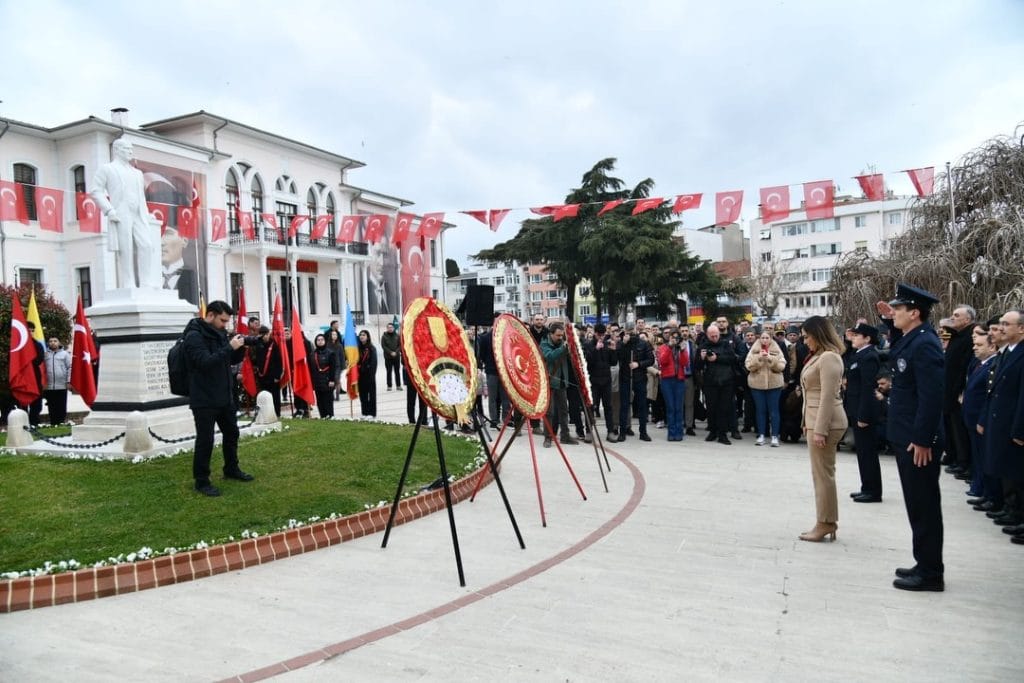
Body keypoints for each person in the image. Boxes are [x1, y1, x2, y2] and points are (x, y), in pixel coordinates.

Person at [876, 284, 945, 590]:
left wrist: (923, 439)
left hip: (917, 441)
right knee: (917, 505)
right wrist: (889, 321)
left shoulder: (926, 343)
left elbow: (931, 396)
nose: (894, 313)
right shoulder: (914, 338)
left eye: (899, 310)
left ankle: (930, 573)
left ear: (914, 313)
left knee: (924, 506)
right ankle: (924, 562)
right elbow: (897, 349)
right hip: (907, 435)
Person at [182, 300, 253, 497]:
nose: (225, 324)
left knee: (232, 433)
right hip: (204, 397)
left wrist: (241, 347)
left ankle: (231, 468)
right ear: (210, 315)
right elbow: (204, 362)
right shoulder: (194, 336)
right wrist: (229, 347)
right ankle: (202, 480)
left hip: (224, 395)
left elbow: (230, 359)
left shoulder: (219, 333)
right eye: (222, 320)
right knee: (205, 440)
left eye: (227, 321)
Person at [798, 316, 848, 542]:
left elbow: (827, 396)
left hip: (826, 422)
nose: (805, 341)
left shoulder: (829, 357)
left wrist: (819, 429)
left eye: (807, 337)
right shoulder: (820, 356)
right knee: (821, 474)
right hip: (816, 420)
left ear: (818, 334)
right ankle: (826, 521)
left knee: (823, 475)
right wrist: (806, 423)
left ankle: (826, 522)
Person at [978, 309, 1024, 546]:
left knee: (1018, 472)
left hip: (1013, 423)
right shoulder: (1007, 352)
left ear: (1021, 328)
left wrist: (1020, 429)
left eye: (1007, 324)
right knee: (1008, 469)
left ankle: (1018, 514)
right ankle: (1012, 510)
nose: (1001, 328)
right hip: (1000, 420)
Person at [90, 138, 160, 289]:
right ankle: (128, 282)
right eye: (126, 149)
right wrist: (109, 210)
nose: (130, 152)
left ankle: (145, 281)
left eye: (131, 149)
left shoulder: (137, 173)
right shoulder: (107, 169)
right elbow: (96, 191)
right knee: (125, 248)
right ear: (116, 150)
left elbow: (141, 196)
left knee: (146, 245)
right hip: (121, 213)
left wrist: (146, 213)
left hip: (138, 213)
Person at [844, 323, 883, 502]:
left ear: (867, 339)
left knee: (868, 452)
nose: (853, 338)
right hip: (856, 408)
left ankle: (873, 491)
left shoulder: (869, 356)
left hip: (863, 411)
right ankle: (866, 486)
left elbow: (868, 388)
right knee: (862, 452)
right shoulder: (859, 354)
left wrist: (864, 415)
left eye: (857, 335)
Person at [540, 322, 579, 447]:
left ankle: (565, 436)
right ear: (551, 334)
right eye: (558, 335)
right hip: (550, 382)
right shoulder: (544, 344)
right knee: (549, 412)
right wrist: (563, 348)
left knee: (564, 411)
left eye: (562, 335)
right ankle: (548, 437)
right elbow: (549, 357)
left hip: (562, 381)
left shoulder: (563, 343)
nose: (560, 338)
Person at [745, 330, 786, 447]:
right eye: (762, 337)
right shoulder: (754, 350)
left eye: (767, 338)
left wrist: (770, 358)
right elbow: (748, 366)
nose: (764, 340)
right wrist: (759, 358)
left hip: (774, 385)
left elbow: (781, 366)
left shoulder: (777, 349)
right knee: (760, 410)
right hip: (757, 385)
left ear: (771, 338)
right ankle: (761, 435)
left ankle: (775, 436)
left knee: (774, 411)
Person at [699, 324, 737, 445]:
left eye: (716, 335)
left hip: (726, 381)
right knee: (711, 408)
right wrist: (701, 358)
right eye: (712, 336)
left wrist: (717, 358)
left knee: (724, 408)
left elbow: (732, 359)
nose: (714, 338)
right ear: (707, 335)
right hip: (710, 382)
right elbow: (697, 366)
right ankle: (713, 431)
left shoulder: (726, 344)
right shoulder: (703, 346)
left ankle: (722, 434)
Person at [656, 331, 689, 441]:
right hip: (667, 380)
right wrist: (670, 347)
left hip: (679, 380)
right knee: (670, 407)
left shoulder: (681, 348)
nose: (675, 339)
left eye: (677, 337)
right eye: (673, 337)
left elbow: (685, 363)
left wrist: (683, 351)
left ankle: (679, 432)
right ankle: (671, 432)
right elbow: (662, 361)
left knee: (678, 407)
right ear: (669, 338)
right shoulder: (663, 347)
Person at [160, 226, 199, 304]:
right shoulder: (149, 277)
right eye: (159, 235)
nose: (161, 242)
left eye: (168, 234)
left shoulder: (191, 276)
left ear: (184, 241)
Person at [251, 325, 283, 418]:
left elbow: (278, 361)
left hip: (273, 376)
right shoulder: (258, 345)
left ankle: (276, 413)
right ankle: (265, 413)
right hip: (262, 376)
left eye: (266, 334)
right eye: (262, 335)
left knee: (274, 396)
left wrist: (277, 376)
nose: (265, 336)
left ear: (269, 334)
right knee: (264, 396)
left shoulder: (274, 345)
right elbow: (255, 359)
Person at [43, 336, 72, 425]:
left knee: (61, 405)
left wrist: (68, 381)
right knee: (51, 405)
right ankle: (53, 423)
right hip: (49, 386)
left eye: (55, 341)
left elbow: (70, 367)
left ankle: (61, 422)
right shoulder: (45, 354)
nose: (53, 343)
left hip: (62, 385)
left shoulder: (65, 354)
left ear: (59, 343)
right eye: (50, 341)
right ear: (48, 343)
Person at [309, 333, 339, 418]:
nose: (320, 341)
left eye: (322, 340)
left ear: (325, 341)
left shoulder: (330, 353)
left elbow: (333, 368)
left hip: (327, 381)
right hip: (317, 381)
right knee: (320, 401)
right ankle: (322, 416)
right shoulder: (312, 354)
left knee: (328, 400)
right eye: (318, 340)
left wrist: (332, 380)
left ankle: (330, 416)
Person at [357, 329, 378, 418]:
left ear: (368, 337)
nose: (362, 336)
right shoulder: (358, 348)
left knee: (371, 395)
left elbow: (374, 363)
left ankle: (372, 413)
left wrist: (372, 375)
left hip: (369, 374)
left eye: (364, 335)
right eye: (360, 335)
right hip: (360, 375)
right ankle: (364, 412)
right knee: (363, 395)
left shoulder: (372, 348)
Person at [380, 322, 402, 390]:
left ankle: (398, 386)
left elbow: (400, 345)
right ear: (387, 328)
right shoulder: (384, 336)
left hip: (396, 357)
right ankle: (389, 386)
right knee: (389, 371)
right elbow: (383, 346)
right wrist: (390, 352)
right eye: (388, 327)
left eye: (391, 327)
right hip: (388, 357)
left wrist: (396, 352)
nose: (390, 328)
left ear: (393, 328)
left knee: (397, 371)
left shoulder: (397, 336)